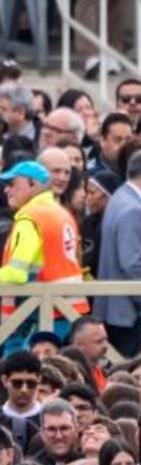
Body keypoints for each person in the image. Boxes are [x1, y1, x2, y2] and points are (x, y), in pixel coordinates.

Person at [0, 160, 87, 347]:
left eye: (11, 184)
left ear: (32, 184)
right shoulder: (62, 213)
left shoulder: (30, 217)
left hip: (42, 314)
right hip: (69, 310)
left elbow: (17, 273)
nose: (6, 190)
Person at [94, 151, 141, 355]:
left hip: (113, 308)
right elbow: (132, 264)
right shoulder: (133, 209)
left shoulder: (120, 197)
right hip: (128, 312)